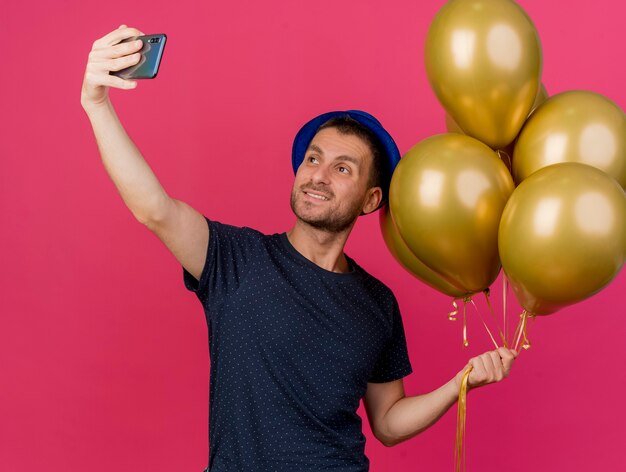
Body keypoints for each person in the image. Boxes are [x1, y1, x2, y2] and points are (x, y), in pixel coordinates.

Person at [81, 25, 518, 472]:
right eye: (313, 158)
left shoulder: (377, 303)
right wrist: (96, 105)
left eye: (342, 167)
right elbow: (154, 209)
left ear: (371, 199)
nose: (318, 175)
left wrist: (461, 383)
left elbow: (387, 422)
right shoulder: (235, 259)